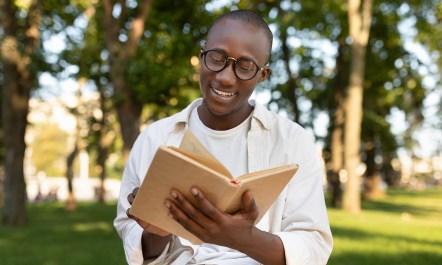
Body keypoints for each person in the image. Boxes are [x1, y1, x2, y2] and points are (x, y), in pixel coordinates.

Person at [114, 9, 333, 265]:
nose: (225, 77)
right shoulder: (155, 138)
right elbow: (136, 244)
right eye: (217, 58)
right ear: (201, 56)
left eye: (245, 66)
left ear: (263, 75)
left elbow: (314, 247)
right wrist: (157, 232)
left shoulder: (292, 141)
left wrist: (242, 238)